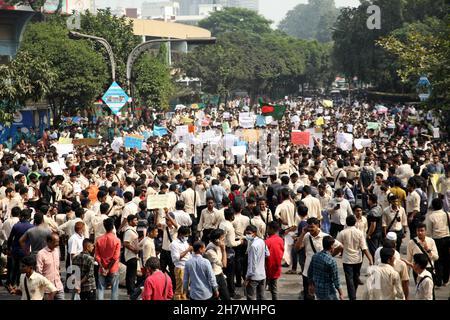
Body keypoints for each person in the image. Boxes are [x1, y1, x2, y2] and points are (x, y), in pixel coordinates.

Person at [296, 217, 343, 300]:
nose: (310, 229)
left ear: (318, 226)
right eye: (309, 227)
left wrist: (329, 257)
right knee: (308, 296)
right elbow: (297, 248)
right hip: (308, 272)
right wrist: (302, 233)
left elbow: (340, 246)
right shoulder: (306, 236)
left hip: (321, 274)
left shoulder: (325, 237)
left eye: (312, 227)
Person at [337, 215, 373, 300]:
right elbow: (364, 248)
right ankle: (353, 294)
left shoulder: (342, 233)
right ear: (355, 222)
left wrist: (331, 254)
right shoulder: (360, 233)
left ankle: (352, 296)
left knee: (349, 279)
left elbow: (338, 246)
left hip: (347, 260)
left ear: (346, 222)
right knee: (355, 278)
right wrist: (370, 258)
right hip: (358, 259)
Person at [218, 208, 244, 299]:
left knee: (224, 272)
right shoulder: (229, 227)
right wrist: (240, 242)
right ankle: (231, 292)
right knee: (230, 273)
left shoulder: (221, 223)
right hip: (228, 250)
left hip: (221, 249)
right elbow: (231, 243)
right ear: (232, 216)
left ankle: (224, 290)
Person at [307, 236, 344, 300]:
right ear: (331, 246)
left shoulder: (315, 256)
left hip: (318, 290)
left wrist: (310, 284)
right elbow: (336, 280)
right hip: (328, 291)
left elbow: (309, 272)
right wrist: (341, 293)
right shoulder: (331, 261)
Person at [425, 198, 450, 287]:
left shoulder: (431, 216)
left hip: (437, 240)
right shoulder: (447, 214)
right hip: (447, 239)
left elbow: (428, 232)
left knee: (437, 260)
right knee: (447, 260)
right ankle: (446, 280)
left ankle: (438, 281)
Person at [95, 218, 121, 300]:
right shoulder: (116, 240)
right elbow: (115, 257)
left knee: (100, 288)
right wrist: (108, 268)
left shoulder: (99, 239)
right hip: (113, 268)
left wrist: (103, 267)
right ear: (113, 227)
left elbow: (97, 256)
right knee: (114, 289)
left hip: (102, 268)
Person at [36, 232, 65, 300]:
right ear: (49, 241)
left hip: (58, 286)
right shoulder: (41, 254)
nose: (58, 244)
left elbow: (58, 268)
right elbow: (38, 272)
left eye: (58, 241)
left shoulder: (57, 251)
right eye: (56, 242)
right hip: (47, 290)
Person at [244, 225, 270, 300]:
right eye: (246, 233)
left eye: (249, 233)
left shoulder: (253, 246)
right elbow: (267, 254)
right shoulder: (262, 241)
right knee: (261, 296)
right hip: (262, 275)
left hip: (254, 277)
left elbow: (252, 264)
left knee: (251, 297)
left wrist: (247, 278)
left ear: (254, 233)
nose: (247, 235)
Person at [204, 228, 230, 300]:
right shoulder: (210, 250)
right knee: (214, 296)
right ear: (216, 240)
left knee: (226, 296)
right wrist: (223, 250)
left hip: (219, 273)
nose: (224, 240)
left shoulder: (218, 245)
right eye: (222, 238)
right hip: (213, 276)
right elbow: (224, 264)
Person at [169, 226, 192, 300]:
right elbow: (176, 258)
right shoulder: (174, 244)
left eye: (188, 236)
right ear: (180, 234)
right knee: (180, 289)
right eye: (186, 235)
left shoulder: (185, 242)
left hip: (187, 267)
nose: (187, 237)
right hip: (180, 267)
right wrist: (188, 250)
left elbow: (189, 255)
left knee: (185, 288)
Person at [264, 221, 284, 300]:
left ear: (272, 229)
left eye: (268, 229)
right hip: (276, 268)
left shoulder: (267, 242)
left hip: (267, 268)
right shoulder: (280, 240)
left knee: (262, 289)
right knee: (274, 289)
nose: (267, 230)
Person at [123, 214, 139, 296]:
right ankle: (131, 291)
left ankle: (130, 290)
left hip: (132, 255)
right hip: (131, 255)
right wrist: (134, 250)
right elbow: (126, 243)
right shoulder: (129, 231)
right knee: (131, 274)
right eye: (135, 220)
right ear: (130, 222)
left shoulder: (132, 230)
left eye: (136, 220)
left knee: (131, 273)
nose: (136, 221)